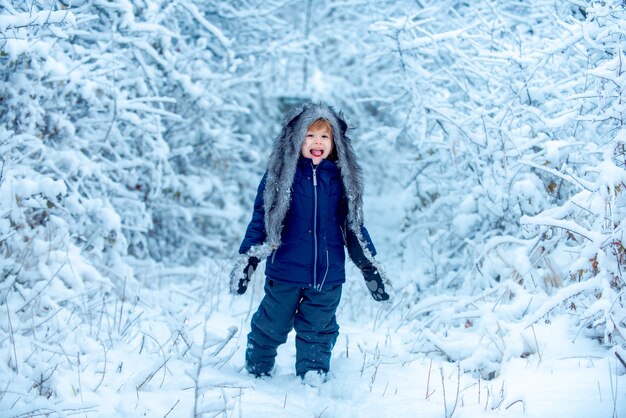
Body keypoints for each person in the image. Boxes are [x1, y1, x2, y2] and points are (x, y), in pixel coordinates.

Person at [229, 101, 391, 381]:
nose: (317, 142)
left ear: (335, 142)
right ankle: (257, 369)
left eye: (324, 136)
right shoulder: (281, 176)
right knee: (272, 323)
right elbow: (261, 219)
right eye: (310, 135)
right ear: (297, 140)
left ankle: (313, 375)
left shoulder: (342, 181)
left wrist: (369, 267)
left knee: (319, 327)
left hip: (328, 275)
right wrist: (249, 259)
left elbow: (354, 227)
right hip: (285, 271)